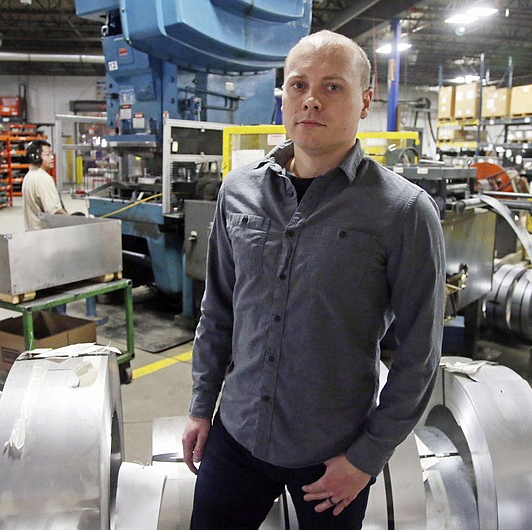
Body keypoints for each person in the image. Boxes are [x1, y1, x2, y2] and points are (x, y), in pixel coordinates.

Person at [182, 30, 446, 529]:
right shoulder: (238, 191)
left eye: (332, 87)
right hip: (235, 438)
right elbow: (218, 309)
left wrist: (366, 459)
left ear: (365, 101)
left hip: (332, 459)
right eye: (298, 85)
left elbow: (419, 354)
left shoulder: (404, 211)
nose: (310, 100)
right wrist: (201, 406)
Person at [22, 139, 67, 230]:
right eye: (47, 155)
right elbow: (54, 211)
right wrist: (73, 220)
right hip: (45, 236)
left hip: (32, 233)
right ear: (36, 157)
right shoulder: (44, 178)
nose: (52, 157)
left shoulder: (28, 176)